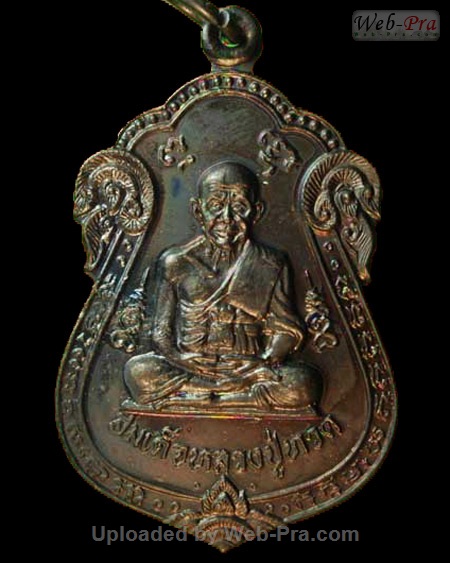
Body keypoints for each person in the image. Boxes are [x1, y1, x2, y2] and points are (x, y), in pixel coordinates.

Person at [124, 161, 322, 412]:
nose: (226, 218)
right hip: (193, 367)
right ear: (198, 211)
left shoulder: (270, 263)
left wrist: (264, 360)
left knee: (303, 383)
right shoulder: (176, 263)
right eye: (216, 207)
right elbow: (160, 333)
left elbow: (286, 329)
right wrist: (181, 359)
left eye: (239, 207)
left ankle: (202, 399)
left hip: (247, 367)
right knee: (139, 371)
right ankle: (229, 396)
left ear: (256, 212)